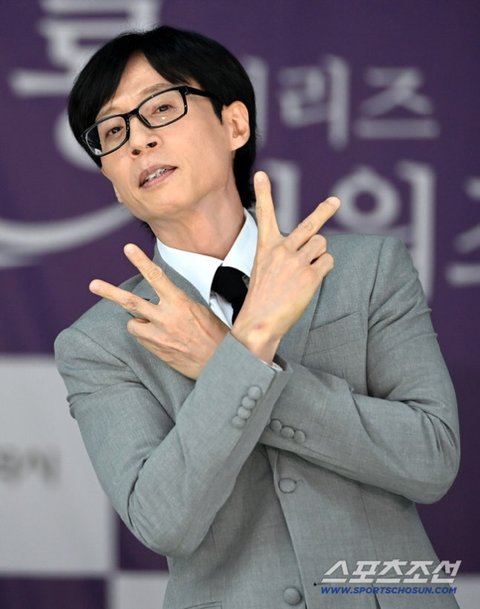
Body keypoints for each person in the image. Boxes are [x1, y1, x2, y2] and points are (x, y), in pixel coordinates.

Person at [54, 25, 460, 609]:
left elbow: (430, 459)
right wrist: (247, 349)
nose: (138, 140)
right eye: (112, 132)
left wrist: (223, 361)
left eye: (161, 107)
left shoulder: (364, 269)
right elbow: (164, 521)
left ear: (235, 125)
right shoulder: (102, 341)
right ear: (112, 181)